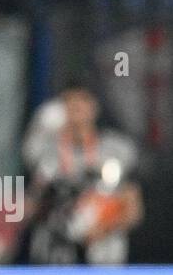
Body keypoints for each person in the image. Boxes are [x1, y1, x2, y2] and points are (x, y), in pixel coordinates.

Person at [12, 79, 143, 264]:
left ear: (94, 105)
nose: (76, 107)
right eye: (68, 101)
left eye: (82, 100)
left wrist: (101, 224)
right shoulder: (43, 150)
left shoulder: (117, 149)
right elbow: (29, 207)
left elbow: (133, 209)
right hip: (56, 253)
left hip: (102, 251)